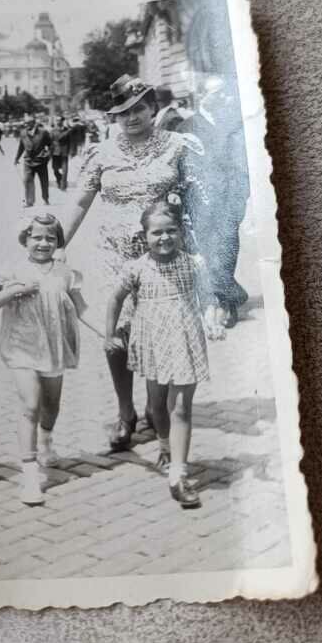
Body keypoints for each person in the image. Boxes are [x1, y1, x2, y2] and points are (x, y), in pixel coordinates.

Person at [62, 74, 206, 450]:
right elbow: (79, 202)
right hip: (114, 257)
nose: (131, 118)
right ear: (114, 118)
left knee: (160, 331)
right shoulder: (101, 153)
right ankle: (125, 412)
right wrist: (56, 246)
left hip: (162, 258)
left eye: (138, 108)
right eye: (122, 112)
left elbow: (201, 201)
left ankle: (153, 405)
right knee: (118, 336)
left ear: (152, 108)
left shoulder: (177, 146)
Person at [106, 199, 220, 510]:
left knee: (181, 406)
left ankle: (179, 477)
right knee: (157, 403)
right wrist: (110, 335)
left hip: (185, 339)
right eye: (157, 233)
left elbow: (209, 297)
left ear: (181, 232)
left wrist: (211, 317)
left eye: (171, 231)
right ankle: (166, 446)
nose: (165, 238)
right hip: (153, 341)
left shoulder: (194, 264)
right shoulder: (136, 268)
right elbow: (115, 300)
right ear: (145, 236)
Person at [0, 212, 100, 505]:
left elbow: (82, 309)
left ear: (58, 242)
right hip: (21, 346)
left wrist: (107, 333)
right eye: (37, 237)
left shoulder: (65, 273)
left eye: (50, 238)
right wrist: (15, 291)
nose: (43, 243)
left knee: (51, 407)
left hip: (54, 346)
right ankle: (30, 475)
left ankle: (46, 440)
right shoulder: (12, 270)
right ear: (25, 239)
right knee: (30, 405)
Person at [184, 75, 250, 327]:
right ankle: (227, 299)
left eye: (224, 92)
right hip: (201, 199)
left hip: (231, 198)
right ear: (202, 95)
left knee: (228, 248)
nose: (223, 97)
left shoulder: (233, 123)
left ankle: (225, 298)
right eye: (216, 93)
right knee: (209, 251)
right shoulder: (187, 126)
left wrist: (242, 192)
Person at [14, 115, 52, 207]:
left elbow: (50, 144)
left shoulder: (43, 132)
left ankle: (45, 198)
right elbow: (21, 147)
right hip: (28, 161)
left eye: (28, 123)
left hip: (41, 161)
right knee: (27, 180)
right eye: (25, 123)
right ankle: (29, 201)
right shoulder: (23, 133)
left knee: (44, 181)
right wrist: (16, 158)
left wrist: (48, 155)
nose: (26, 125)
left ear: (34, 123)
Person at [50, 116, 72, 190]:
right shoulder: (53, 130)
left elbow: (70, 142)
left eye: (59, 120)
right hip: (55, 153)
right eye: (57, 120)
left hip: (64, 152)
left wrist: (70, 151)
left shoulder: (67, 130)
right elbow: (50, 141)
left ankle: (63, 186)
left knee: (65, 170)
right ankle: (59, 179)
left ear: (63, 121)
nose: (58, 122)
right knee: (55, 169)